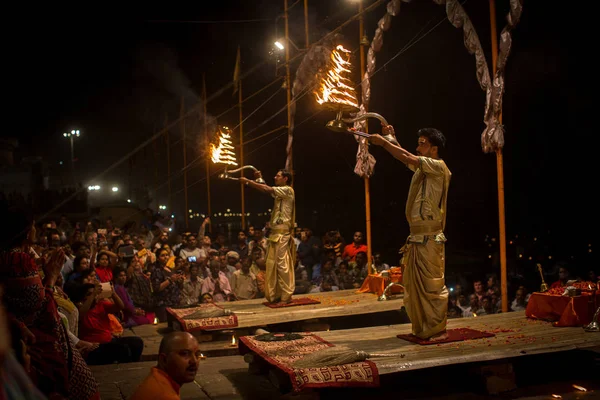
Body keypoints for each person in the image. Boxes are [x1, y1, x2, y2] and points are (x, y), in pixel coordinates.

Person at [369, 125, 451, 341]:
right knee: (415, 286)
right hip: (416, 237)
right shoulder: (424, 169)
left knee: (432, 285)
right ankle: (423, 327)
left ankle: (436, 328)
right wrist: (391, 138)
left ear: (434, 149)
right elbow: (406, 158)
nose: (418, 147)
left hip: (430, 238)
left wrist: (384, 143)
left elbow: (407, 157)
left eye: (422, 144)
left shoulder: (437, 166)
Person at [240, 169, 296, 305]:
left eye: (278, 175)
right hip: (275, 235)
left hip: (282, 235)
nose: (275, 177)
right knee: (272, 265)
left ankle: (286, 297)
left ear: (285, 179)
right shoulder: (280, 193)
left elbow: (267, 189)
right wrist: (259, 179)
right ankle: (277, 295)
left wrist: (249, 182)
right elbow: (268, 190)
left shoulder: (288, 190)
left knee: (282, 265)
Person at [130, 332, 200, 400]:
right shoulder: (165, 395)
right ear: (164, 360)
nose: (194, 361)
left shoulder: (157, 378)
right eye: (185, 354)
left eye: (197, 354)